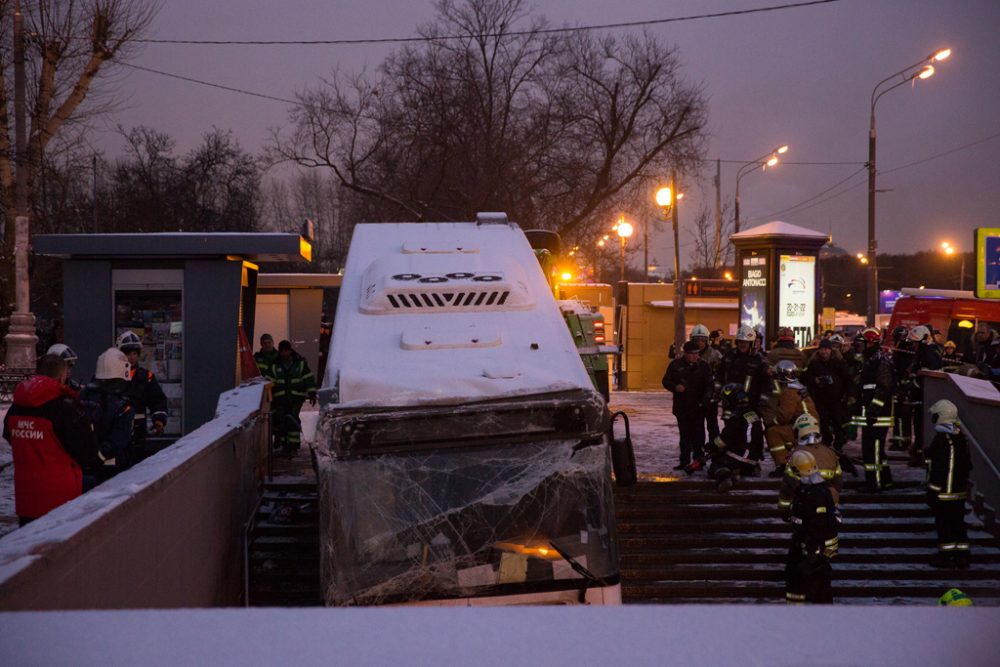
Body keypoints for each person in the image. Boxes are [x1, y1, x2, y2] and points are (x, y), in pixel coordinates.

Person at [3, 354, 100, 526]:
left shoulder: (18, 405)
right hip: (60, 498)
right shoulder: (64, 406)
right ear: (62, 376)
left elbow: (8, 434)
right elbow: (86, 451)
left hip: (26, 496)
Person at [783, 449, 841, 604]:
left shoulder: (816, 494)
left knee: (818, 588)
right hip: (803, 543)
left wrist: (812, 552)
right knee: (795, 582)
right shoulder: (806, 489)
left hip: (815, 549)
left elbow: (819, 526)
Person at [924, 400, 972, 570]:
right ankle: (962, 556)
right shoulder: (960, 438)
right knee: (958, 523)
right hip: (958, 492)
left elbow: (940, 467)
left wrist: (933, 490)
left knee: (944, 524)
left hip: (945, 492)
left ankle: (946, 556)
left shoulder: (944, 439)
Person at [80, 347, 136, 478]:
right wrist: (99, 457)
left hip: (82, 465)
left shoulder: (84, 395)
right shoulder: (123, 407)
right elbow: (118, 438)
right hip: (111, 469)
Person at [850, 327, 894, 492]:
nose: (858, 346)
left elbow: (884, 387)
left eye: (861, 343)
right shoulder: (871, 359)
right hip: (872, 413)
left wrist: (874, 409)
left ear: (870, 343)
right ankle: (885, 479)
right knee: (876, 450)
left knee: (872, 450)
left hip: (877, 415)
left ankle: (874, 483)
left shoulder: (879, 360)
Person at [116, 331, 169, 462]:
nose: (132, 357)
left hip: (138, 432)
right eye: (128, 353)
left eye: (134, 353)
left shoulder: (146, 377)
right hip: (115, 431)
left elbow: (157, 400)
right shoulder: (112, 375)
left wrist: (159, 420)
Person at [718, 324, 768, 461]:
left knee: (755, 430)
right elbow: (719, 376)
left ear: (751, 343)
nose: (743, 345)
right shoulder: (728, 357)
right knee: (732, 430)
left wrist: (761, 401)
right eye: (740, 342)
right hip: (731, 403)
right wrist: (719, 393)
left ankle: (754, 458)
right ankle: (733, 456)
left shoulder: (759, 360)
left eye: (746, 342)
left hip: (751, 404)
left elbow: (766, 382)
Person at [662, 340, 714, 473]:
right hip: (682, 406)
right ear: (685, 354)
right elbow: (666, 380)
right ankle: (684, 461)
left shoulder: (704, 366)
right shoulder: (676, 365)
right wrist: (675, 387)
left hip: (698, 406)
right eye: (692, 354)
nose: (695, 356)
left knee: (699, 435)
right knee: (684, 436)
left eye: (697, 354)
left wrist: (706, 399)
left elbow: (709, 384)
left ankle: (698, 461)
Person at [760, 359, 818, 478]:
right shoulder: (798, 388)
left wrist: (771, 422)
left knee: (773, 432)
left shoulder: (789, 392)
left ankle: (782, 465)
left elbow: (784, 416)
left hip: (803, 430)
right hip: (809, 427)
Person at [779, 414, 843, 512]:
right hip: (829, 507)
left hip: (806, 507)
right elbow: (838, 483)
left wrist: (784, 510)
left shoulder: (796, 455)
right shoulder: (831, 453)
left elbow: (788, 486)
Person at [707, 383, 761, 492]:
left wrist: (711, 446)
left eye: (725, 400)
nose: (724, 404)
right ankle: (748, 469)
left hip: (741, 455)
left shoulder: (736, 416)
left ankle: (725, 478)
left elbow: (725, 439)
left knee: (716, 464)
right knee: (730, 456)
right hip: (754, 457)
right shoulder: (752, 412)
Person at [271, 339, 318, 456]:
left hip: (296, 398)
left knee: (292, 420)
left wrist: (312, 393)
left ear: (290, 351)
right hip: (280, 399)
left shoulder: (300, 363)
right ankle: (285, 445)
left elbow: (308, 378)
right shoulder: (275, 365)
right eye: (282, 351)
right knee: (282, 422)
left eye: (286, 351)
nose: (284, 353)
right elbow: (269, 381)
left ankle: (294, 445)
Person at [905, 325, 943, 466]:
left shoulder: (929, 354)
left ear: (924, 340)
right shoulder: (923, 352)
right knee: (919, 427)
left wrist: (912, 383)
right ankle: (919, 455)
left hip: (925, 398)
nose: (913, 345)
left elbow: (927, 378)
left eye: (915, 342)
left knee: (923, 429)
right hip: (920, 397)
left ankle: (923, 458)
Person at [691, 324, 723, 446]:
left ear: (707, 340)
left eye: (702, 340)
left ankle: (715, 448)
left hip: (711, 396)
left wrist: (716, 392)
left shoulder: (715, 355)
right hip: (696, 397)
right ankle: (698, 450)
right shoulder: (689, 355)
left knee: (712, 425)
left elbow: (721, 374)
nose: (699, 343)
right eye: (696, 340)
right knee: (697, 425)